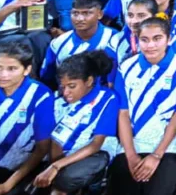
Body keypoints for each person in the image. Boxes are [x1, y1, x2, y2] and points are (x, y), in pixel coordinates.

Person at [110, 16, 176, 193]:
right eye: (144, 40)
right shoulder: (126, 67)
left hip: (169, 145)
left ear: (168, 39)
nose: (150, 45)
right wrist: (131, 155)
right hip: (132, 143)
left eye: (157, 38)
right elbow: (123, 113)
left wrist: (156, 155)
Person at [33, 51, 119, 194]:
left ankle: (95, 182)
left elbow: (95, 145)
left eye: (72, 86)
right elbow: (55, 140)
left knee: (66, 179)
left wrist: (56, 167)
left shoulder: (107, 99)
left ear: (89, 81)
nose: (66, 92)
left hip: (92, 155)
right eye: (62, 86)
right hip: (61, 156)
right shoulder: (57, 99)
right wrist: (54, 166)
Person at [0, 41, 55, 193]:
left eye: (12, 69)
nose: (3, 75)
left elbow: (42, 148)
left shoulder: (40, 96)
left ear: (27, 69)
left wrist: (6, 186)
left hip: (27, 173)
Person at [38, 0, 118, 86]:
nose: (79, 19)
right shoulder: (58, 43)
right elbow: (47, 78)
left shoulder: (115, 39)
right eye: (75, 13)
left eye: (86, 13)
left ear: (100, 14)